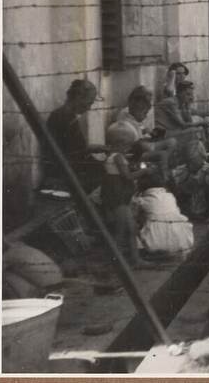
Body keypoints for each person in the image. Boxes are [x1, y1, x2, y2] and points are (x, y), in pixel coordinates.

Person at [42, 79, 108, 194]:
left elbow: (76, 147)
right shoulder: (63, 117)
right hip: (63, 171)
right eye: (89, 103)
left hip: (67, 166)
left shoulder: (66, 115)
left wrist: (101, 148)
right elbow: (76, 152)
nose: (89, 108)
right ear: (78, 97)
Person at [102, 121, 153, 267]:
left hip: (117, 197)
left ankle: (131, 259)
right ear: (120, 143)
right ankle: (116, 261)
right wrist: (144, 171)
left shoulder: (113, 156)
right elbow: (127, 177)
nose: (129, 148)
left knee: (129, 228)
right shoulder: (118, 157)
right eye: (128, 145)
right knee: (123, 229)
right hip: (118, 198)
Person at [132, 171, 194, 260]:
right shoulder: (170, 196)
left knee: (134, 221)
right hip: (182, 240)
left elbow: (134, 216)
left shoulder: (141, 200)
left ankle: (146, 249)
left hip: (155, 242)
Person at [156, 80, 209, 159]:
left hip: (173, 131)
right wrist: (201, 123)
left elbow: (193, 115)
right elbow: (183, 124)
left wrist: (208, 113)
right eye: (188, 94)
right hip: (162, 134)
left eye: (191, 94)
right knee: (196, 130)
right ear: (179, 93)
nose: (191, 97)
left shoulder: (181, 103)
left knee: (205, 123)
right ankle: (203, 156)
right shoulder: (171, 103)